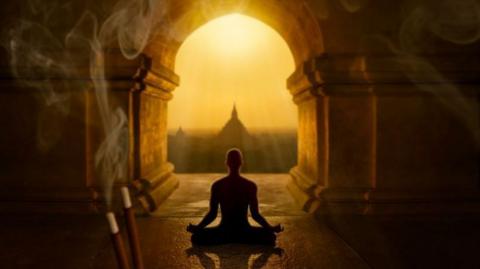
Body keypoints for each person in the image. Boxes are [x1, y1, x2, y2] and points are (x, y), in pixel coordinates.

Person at [186, 148, 283, 245]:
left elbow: (212, 214)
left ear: (226, 163)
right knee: (270, 237)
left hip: (224, 232)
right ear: (241, 163)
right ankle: (241, 239)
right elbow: (255, 215)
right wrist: (270, 228)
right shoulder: (250, 185)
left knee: (196, 237)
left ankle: (226, 239)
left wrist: (198, 228)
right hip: (244, 232)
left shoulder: (218, 185)